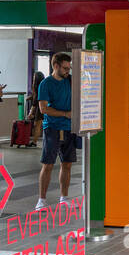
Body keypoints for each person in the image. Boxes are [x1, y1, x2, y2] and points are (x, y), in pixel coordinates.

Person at [36, 52, 74, 210]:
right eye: (65, 68)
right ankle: (42, 200)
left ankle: (64, 197)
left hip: (70, 128)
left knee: (67, 164)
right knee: (48, 164)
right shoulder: (46, 84)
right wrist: (65, 114)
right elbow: (43, 109)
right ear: (55, 66)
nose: (67, 71)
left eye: (69, 68)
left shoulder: (70, 81)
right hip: (52, 128)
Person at [30, 71, 46, 141]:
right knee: (39, 125)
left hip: (39, 108)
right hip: (44, 106)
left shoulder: (37, 87)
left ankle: (34, 141)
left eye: (34, 78)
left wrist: (31, 112)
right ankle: (35, 141)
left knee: (37, 125)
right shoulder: (44, 85)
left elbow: (35, 102)